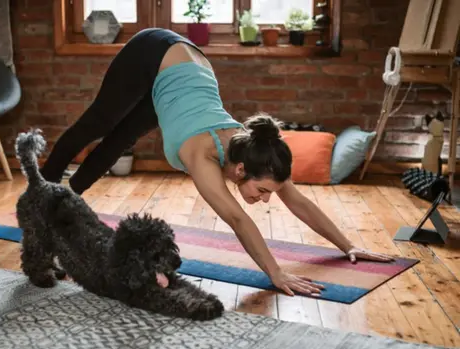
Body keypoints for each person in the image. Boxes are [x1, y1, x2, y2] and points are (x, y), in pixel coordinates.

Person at [40, 28, 394, 297]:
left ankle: (67, 195)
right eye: (263, 191)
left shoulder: (258, 155)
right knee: (100, 124)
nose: (267, 199)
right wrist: (276, 273)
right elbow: (238, 219)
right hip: (156, 52)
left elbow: (298, 201)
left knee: (120, 140)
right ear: (240, 171)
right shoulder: (202, 156)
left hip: (185, 70)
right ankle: (42, 190)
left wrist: (348, 246)